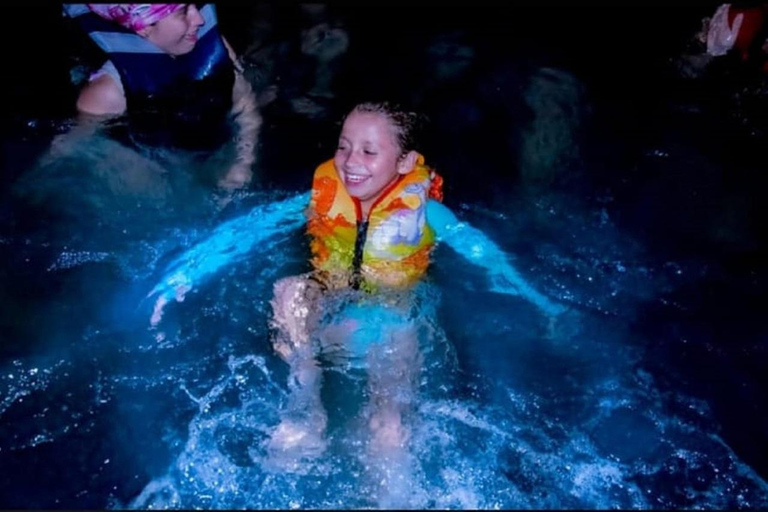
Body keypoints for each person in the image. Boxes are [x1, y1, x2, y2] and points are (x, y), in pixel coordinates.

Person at [147, 101, 567, 467]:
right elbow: (248, 230)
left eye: (369, 151)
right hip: (328, 314)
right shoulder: (322, 199)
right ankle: (304, 411)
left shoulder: (428, 217)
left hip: (390, 323)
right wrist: (181, 278)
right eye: (344, 146)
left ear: (405, 163)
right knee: (290, 291)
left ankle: (386, 494)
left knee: (389, 421)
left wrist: (542, 304)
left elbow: (486, 257)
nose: (350, 161)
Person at [60, 3, 261, 191]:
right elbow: (74, 149)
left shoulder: (213, 43)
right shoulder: (107, 92)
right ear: (144, 28)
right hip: (146, 160)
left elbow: (245, 105)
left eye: (195, 5)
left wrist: (243, 163)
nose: (199, 19)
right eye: (183, 12)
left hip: (208, 140)